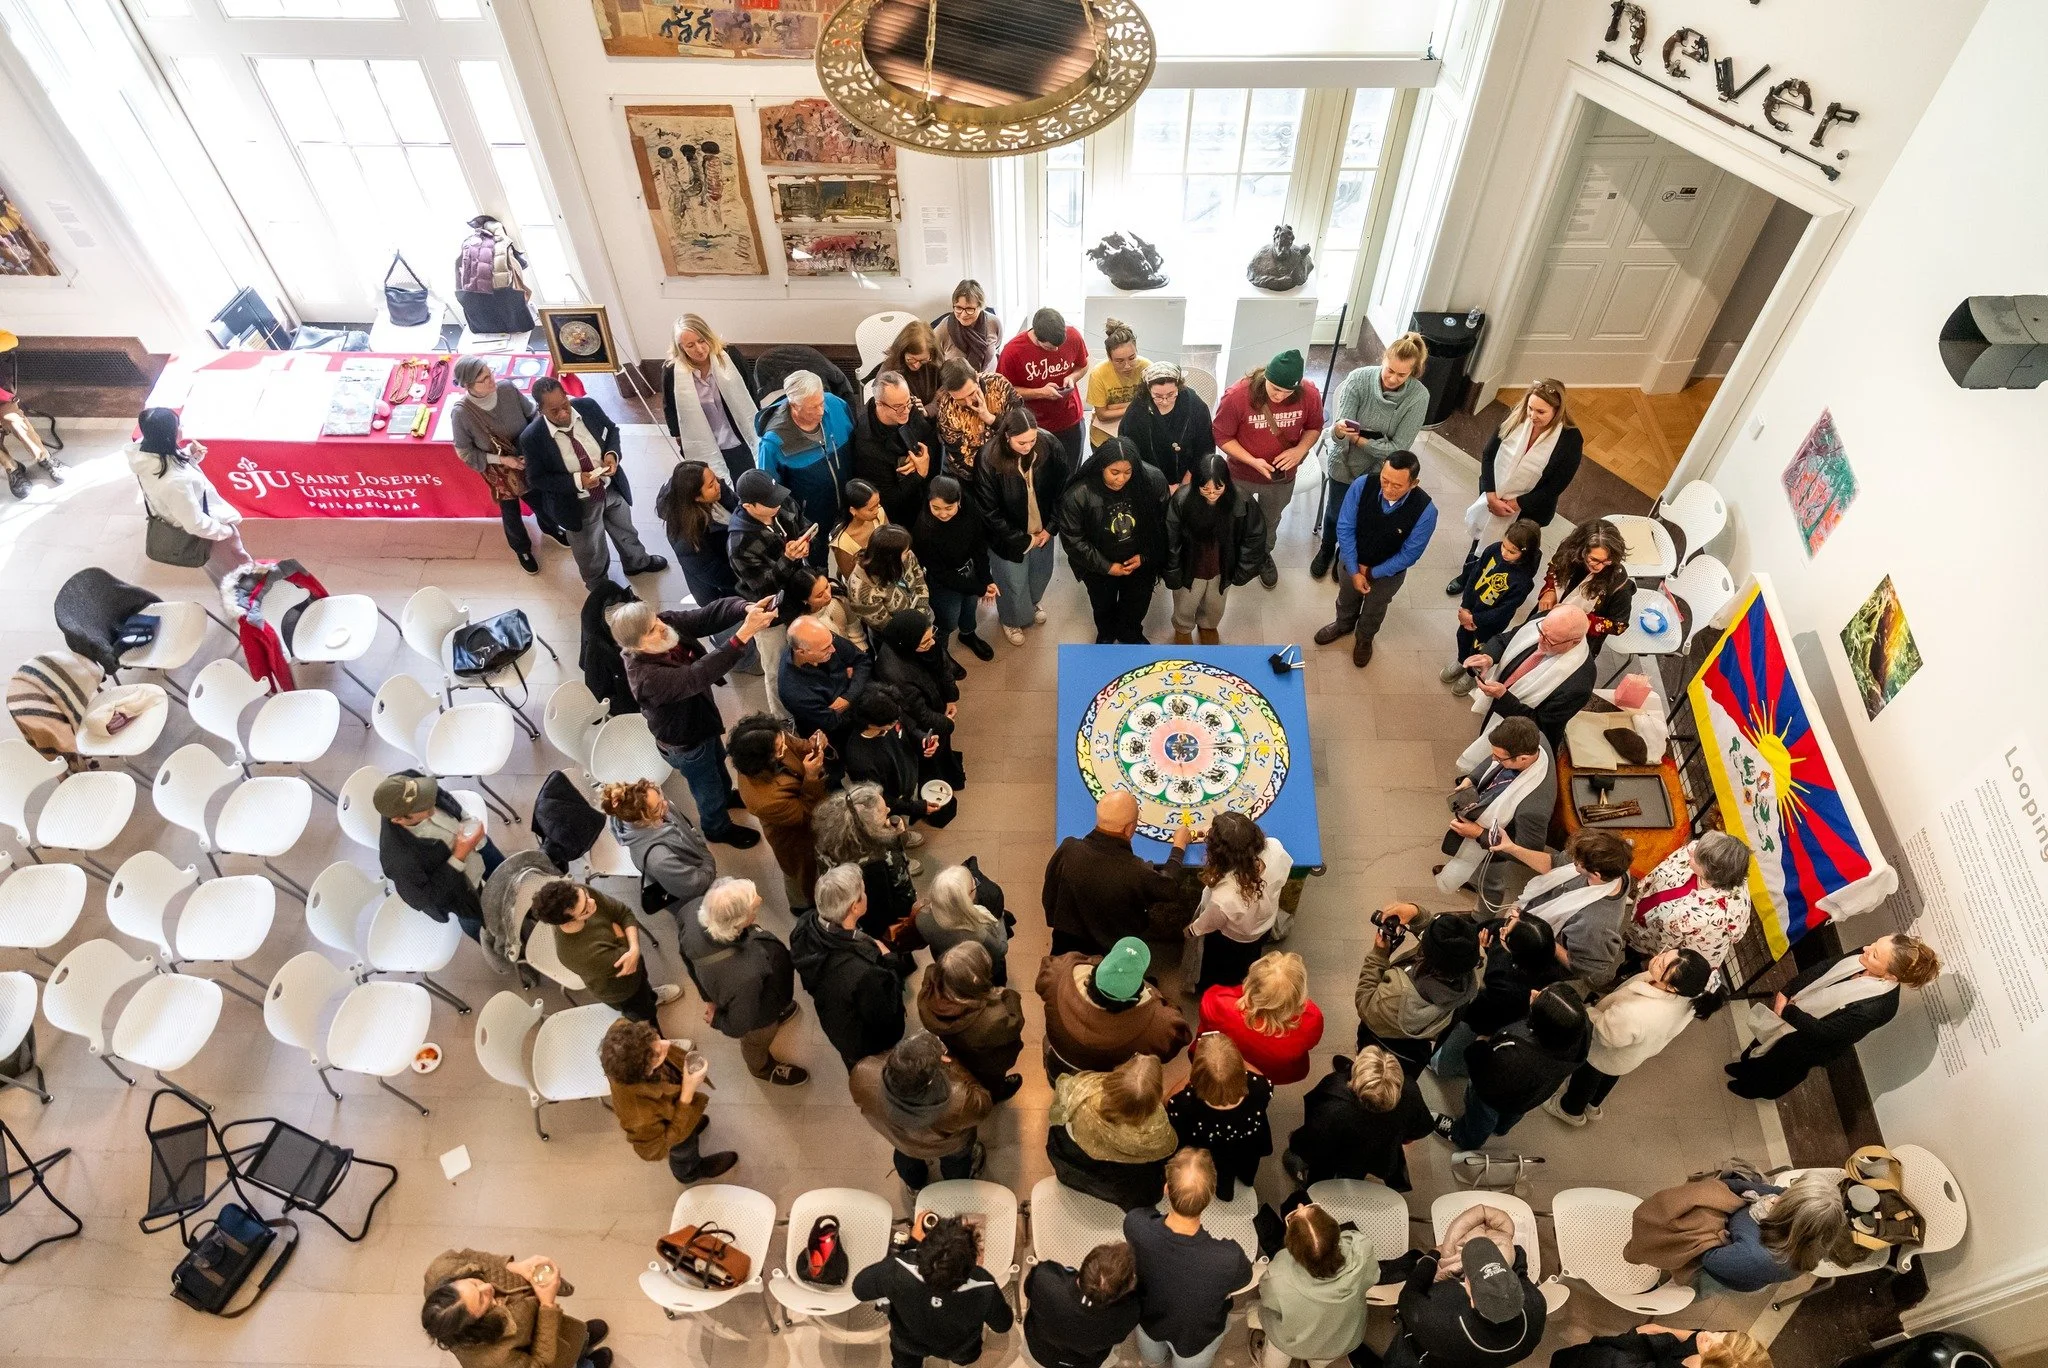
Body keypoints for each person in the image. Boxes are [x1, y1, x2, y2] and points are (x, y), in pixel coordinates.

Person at [609, 597, 773, 849]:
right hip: (687, 743)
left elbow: (704, 616)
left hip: (701, 723)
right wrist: (745, 633)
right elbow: (698, 675)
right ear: (636, 646)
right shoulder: (648, 679)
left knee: (717, 763)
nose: (662, 627)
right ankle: (716, 827)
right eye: (652, 629)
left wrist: (743, 608)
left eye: (657, 620)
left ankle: (726, 796)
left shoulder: (661, 625)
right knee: (706, 788)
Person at [1726, 935, 1941, 1100]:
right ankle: (1747, 1067)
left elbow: (1826, 1033)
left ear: (1890, 976)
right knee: (1765, 1041)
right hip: (1797, 1011)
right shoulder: (1868, 956)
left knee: (1780, 1064)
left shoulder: (1879, 1007)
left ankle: (1756, 1088)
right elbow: (1824, 968)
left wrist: (1789, 1011)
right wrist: (1789, 989)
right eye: (1874, 944)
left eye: (1875, 954)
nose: (1866, 949)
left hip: (1808, 1042)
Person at [521, 378, 667, 589]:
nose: (563, 413)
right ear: (540, 410)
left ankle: (637, 563)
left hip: (610, 487)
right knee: (590, 549)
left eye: (565, 405)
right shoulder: (533, 438)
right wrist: (577, 480)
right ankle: (599, 586)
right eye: (554, 411)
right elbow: (536, 479)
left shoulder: (587, 406)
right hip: (577, 503)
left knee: (625, 529)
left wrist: (611, 454)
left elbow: (611, 430)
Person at [1309, 332, 1431, 580]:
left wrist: (1360, 439)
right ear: (1382, 359)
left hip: (1380, 471)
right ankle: (1326, 548)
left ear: (1413, 372)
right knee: (1335, 512)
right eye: (1389, 370)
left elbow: (1398, 449)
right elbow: (1339, 435)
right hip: (1344, 460)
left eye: (1402, 375)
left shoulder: (1418, 397)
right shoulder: (1358, 379)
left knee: (1361, 517)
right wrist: (1348, 436)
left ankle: (1345, 554)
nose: (1393, 379)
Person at [1547, 948, 1713, 1126]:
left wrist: (1589, 1012)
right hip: (1630, 1055)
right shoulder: (1691, 995)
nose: (1657, 958)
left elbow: (1604, 1036)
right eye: (1666, 953)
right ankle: (1593, 1105)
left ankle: (1570, 1111)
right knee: (1610, 1076)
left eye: (1662, 964)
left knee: (1586, 1079)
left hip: (1605, 1052)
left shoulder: (1636, 1013)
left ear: (1672, 987)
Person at [1448, 378, 1582, 595]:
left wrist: (1516, 502)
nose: (1532, 416)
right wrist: (1491, 494)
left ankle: (1496, 586)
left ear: (1557, 411)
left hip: (1529, 509)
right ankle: (1468, 576)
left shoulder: (1570, 439)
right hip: (1496, 496)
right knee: (1483, 536)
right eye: (1530, 407)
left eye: (1541, 412)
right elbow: (1489, 454)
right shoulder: (1517, 417)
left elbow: (1556, 485)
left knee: (1514, 550)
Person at [1124, 1149, 1253, 1368]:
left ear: (1166, 1189)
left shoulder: (1136, 1225)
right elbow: (1243, 1279)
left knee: (1152, 1358)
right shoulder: (1229, 1257)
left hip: (1149, 1318)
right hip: (1197, 1337)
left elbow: (1141, 1216)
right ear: (1211, 1195)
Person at [1624, 1170, 1854, 1292]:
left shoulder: (1756, 1257)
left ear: (1788, 1216)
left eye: (1788, 1199)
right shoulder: (1816, 1232)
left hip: (1723, 1270)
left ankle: (1666, 1283)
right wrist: (1751, 1195)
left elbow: (1711, 1259)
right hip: (1749, 1260)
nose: (1779, 1195)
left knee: (1687, 1266)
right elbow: (1769, 1190)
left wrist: (1747, 1211)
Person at [676, 878, 809, 1086]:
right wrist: (717, 1019)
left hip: (762, 996)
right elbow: (739, 1026)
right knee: (756, 1041)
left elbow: (686, 956)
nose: (761, 900)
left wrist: (707, 996)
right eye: (753, 906)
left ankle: (778, 1012)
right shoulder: (745, 974)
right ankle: (761, 1069)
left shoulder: (692, 910)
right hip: (760, 1016)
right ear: (739, 922)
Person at [1312, 449, 1436, 670]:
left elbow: (1410, 554)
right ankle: (1343, 625)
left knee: (1375, 608)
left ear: (1414, 483)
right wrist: (1354, 569)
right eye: (1384, 480)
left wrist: (1370, 573)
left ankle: (1364, 638)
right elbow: (1345, 526)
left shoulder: (1426, 511)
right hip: (1352, 561)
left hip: (1387, 573)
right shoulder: (1362, 485)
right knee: (1346, 596)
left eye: (1397, 486)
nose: (1388, 489)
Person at [1212, 350, 1324, 589]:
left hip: (1281, 477)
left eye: (1288, 392)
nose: (1280, 396)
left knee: (1270, 519)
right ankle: (1232, 555)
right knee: (1235, 516)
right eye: (1275, 388)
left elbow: (1314, 427)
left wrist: (1299, 450)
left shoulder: (1310, 394)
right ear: (1265, 378)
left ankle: (1262, 554)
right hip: (1242, 474)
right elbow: (1221, 435)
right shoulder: (1237, 396)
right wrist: (1251, 460)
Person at [1384, 1204, 1545, 1368]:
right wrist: (1507, 1243)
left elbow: (1409, 1295)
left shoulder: (1436, 1319)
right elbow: (1521, 1270)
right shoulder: (1536, 1306)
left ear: (1470, 1296)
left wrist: (1432, 1255)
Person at [1436, 983, 1589, 1151]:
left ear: (1542, 1025)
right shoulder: (1581, 1032)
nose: (1533, 991)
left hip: (1494, 1096)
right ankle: (1501, 1129)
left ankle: (1465, 1137)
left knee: (1482, 1115)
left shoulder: (1515, 1055)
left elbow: (1483, 1075)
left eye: (1538, 998)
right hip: (1533, 1094)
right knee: (1513, 1113)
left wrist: (1479, 1043)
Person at [790, 863, 912, 1069]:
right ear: (854, 907)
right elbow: (886, 1016)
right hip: (866, 1043)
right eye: (863, 892)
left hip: (836, 1021)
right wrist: (889, 959)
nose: (866, 894)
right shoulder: (865, 972)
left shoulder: (804, 926)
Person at [1043, 790, 1193, 956]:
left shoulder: (1068, 849)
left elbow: (1049, 896)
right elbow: (1169, 886)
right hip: (1113, 959)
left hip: (1064, 954)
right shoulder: (1136, 871)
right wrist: (1179, 846)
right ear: (1129, 829)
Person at [853, 1214, 1014, 1368]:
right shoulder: (984, 1286)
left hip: (908, 1342)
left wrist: (913, 1242)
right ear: (972, 1263)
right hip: (957, 1348)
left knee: (905, 1363)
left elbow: (859, 1289)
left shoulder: (895, 1270)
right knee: (966, 1356)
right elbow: (1002, 1324)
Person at [450, 356, 563, 574]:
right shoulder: (462, 413)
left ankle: (549, 528)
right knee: (510, 511)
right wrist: (503, 460)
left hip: (527, 455)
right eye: (484, 379)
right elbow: (464, 451)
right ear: (468, 386)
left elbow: (532, 414)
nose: (492, 380)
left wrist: (534, 449)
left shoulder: (508, 389)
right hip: (501, 468)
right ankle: (522, 549)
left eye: (490, 373)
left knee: (539, 497)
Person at [597, 1016, 737, 1183]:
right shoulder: (639, 1117)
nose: (667, 1044)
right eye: (658, 1054)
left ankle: (691, 1125)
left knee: (689, 1129)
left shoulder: (625, 1033)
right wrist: (687, 1092)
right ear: (646, 1072)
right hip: (671, 1132)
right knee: (684, 1149)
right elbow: (655, 1149)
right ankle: (689, 1172)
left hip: (672, 1109)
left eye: (655, 1037)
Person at [975, 406, 1071, 646]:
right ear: (1006, 436)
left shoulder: (1049, 444)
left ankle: (1032, 602)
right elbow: (989, 511)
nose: (1028, 447)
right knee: (1012, 582)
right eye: (1021, 442)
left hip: (1043, 530)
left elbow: (1063, 489)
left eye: (1032, 439)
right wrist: (1023, 540)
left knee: (1041, 574)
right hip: (1008, 537)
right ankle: (1011, 619)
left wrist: (1051, 527)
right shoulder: (988, 458)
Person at [1059, 436, 1169, 645]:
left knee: (1137, 603)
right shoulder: (1078, 493)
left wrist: (1145, 556)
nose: (1121, 479)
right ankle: (1107, 633)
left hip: (1139, 560)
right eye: (1114, 472)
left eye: (1128, 472)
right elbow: (1074, 540)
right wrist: (1107, 567)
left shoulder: (1152, 480)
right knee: (1102, 604)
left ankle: (1131, 632)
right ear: (1101, 467)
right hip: (1098, 564)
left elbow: (1163, 525)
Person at [1435, 716, 1554, 906]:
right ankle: (1470, 877)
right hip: (1489, 806)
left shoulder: (1532, 811)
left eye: (1499, 758)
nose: (1493, 759)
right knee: (1472, 867)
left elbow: (1527, 853)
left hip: (1495, 848)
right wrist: (1472, 779)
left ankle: (1479, 918)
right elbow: (1491, 761)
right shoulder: (1535, 739)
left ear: (1523, 758)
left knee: (1490, 883)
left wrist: (1479, 833)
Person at [850, 1030, 991, 1190]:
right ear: (930, 1080)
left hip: (899, 1140)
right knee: (956, 1163)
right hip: (949, 1146)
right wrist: (951, 1063)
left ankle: (915, 1185)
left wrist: (908, 1062)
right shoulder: (960, 1100)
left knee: (907, 1158)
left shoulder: (863, 1073)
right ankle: (953, 1186)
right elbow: (983, 1104)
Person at [1283, 1045, 1435, 1191]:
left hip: (1337, 1155)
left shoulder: (1333, 1098)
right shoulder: (1410, 1091)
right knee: (1354, 1173)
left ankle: (1312, 1188)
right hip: (1378, 1155)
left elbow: (1314, 1134)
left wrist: (1297, 1144)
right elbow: (1422, 1128)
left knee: (1323, 1174)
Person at [1039, 936, 1194, 1079]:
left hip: (1060, 1063)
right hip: (1108, 1082)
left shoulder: (1057, 974)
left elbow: (1043, 978)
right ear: (1135, 996)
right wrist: (1157, 997)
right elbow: (1175, 1044)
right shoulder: (1162, 1025)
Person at [421, 1249, 606, 1368]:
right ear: (475, 1324)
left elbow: (471, 1258)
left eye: (474, 1282)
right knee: (567, 1358)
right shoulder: (493, 1361)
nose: (488, 1287)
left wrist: (513, 1266)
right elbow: (540, 1363)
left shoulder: (441, 1269)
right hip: (547, 1349)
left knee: (573, 1334)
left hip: (547, 1324)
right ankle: (585, 1364)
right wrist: (547, 1305)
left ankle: (582, 1340)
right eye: (482, 1299)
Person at [529, 879, 681, 1023]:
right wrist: (620, 933)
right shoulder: (577, 954)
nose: (592, 902)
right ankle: (662, 1045)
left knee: (644, 986)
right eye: (584, 910)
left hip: (634, 970)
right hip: (622, 991)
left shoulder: (577, 894)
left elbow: (623, 912)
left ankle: (652, 997)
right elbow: (624, 958)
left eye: (586, 895)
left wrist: (632, 947)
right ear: (568, 923)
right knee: (645, 1018)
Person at [1354, 904, 1482, 1075]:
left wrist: (1379, 955)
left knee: (1368, 1069)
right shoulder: (1468, 972)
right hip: (1414, 1049)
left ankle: (1355, 1073)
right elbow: (1442, 941)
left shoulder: (1398, 994)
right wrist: (1416, 913)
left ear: (1428, 954)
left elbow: (1366, 1004)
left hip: (1379, 1043)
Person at [375, 770, 502, 943]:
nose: (431, 804)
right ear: (399, 820)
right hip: (464, 891)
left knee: (509, 875)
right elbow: (428, 898)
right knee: (481, 927)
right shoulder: (399, 861)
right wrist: (459, 855)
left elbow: (442, 795)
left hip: (481, 847)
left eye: (426, 796)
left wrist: (467, 819)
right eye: (422, 807)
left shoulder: (409, 780)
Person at [129, 407, 247, 583]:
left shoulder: (143, 450)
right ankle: (248, 584)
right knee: (235, 561)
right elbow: (195, 524)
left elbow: (170, 469)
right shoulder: (176, 482)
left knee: (230, 559)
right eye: (178, 425)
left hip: (174, 510)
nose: (182, 427)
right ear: (170, 435)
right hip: (203, 527)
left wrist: (189, 455)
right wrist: (226, 532)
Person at [1050, 1053, 1179, 1210]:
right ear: (1155, 1097)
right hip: (1124, 1186)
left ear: (1116, 1078)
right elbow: (1167, 1149)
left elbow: (1058, 1116)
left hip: (1079, 1169)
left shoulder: (1082, 1089)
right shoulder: (1158, 1125)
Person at [1510, 830, 1634, 994]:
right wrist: (1510, 847)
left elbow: (1582, 966)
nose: (1572, 861)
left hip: (1544, 956)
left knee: (1516, 982)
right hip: (1529, 919)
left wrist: (1538, 933)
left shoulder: (1596, 924)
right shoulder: (1614, 867)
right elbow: (1555, 863)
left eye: (1576, 862)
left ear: (1596, 874)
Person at [1161, 451, 1265, 645]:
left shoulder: (1242, 500)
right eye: (1204, 489)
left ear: (1227, 483)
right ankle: (1183, 628)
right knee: (1185, 603)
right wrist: (1172, 570)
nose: (1211, 494)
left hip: (1222, 565)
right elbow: (1170, 539)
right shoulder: (1181, 500)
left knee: (1215, 604)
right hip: (1190, 565)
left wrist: (1243, 570)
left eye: (1218, 489)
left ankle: (1208, 625)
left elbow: (1255, 537)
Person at [1460, 604, 1597, 750]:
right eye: (1541, 632)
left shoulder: (1579, 684)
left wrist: (1503, 697)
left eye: (1550, 641)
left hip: (1516, 732)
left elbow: (1540, 726)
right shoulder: (1546, 621)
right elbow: (1507, 639)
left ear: (1574, 641)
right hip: (1499, 697)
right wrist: (1488, 657)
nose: (1539, 641)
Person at [728, 713, 829, 909]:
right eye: (779, 748)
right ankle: (801, 905)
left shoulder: (772, 737)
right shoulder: (764, 800)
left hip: (806, 817)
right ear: (761, 760)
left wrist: (814, 744)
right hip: (793, 837)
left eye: (782, 739)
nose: (784, 745)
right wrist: (811, 777)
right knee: (799, 871)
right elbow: (805, 813)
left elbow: (796, 745)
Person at [754, 369, 855, 565]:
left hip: (848, 499)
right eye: (812, 408)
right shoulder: (773, 443)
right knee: (817, 562)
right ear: (794, 405)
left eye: (821, 403)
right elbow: (772, 491)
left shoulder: (835, 405)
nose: (820, 411)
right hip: (812, 516)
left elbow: (855, 442)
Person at [1256, 1202, 1375, 1368]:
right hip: (1340, 1339)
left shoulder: (1279, 1274)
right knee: (1320, 1360)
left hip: (1291, 1340)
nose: (1299, 1204)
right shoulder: (1362, 1249)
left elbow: (1268, 1301)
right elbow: (1373, 1276)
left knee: (1277, 1352)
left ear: (1292, 1248)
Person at [1185, 812, 1289, 992]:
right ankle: (1243, 980)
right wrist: (1216, 834)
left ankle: (1215, 991)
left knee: (1222, 969)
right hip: (1263, 925)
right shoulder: (1275, 847)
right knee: (1249, 959)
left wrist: (1191, 930)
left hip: (1231, 940)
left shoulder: (1225, 894)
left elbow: (1209, 923)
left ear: (1219, 855)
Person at [1164, 1033, 1271, 1202]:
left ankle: (1218, 1192)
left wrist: (1189, 1078)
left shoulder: (1185, 1102)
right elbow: (1258, 1074)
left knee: (1215, 1170)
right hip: (1246, 1143)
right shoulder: (1260, 1087)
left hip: (1205, 1146)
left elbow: (1167, 1102)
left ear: (1197, 1075)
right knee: (1242, 1167)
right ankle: (1239, 1185)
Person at [1441, 518, 1542, 697]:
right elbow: (1474, 575)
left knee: (1479, 649)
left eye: (1512, 551)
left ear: (1525, 554)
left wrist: (1475, 620)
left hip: (1489, 623)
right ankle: (1461, 660)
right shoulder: (1493, 550)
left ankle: (1472, 673)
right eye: (1504, 545)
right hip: (1471, 610)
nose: (1504, 552)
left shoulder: (1523, 581)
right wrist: (1465, 608)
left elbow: (1504, 610)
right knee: (1463, 637)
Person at [1625, 833, 1754, 971]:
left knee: (1631, 968)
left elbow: (1695, 961)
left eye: (1696, 857)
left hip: (1653, 953)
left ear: (1710, 872)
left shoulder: (1718, 921)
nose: (1691, 850)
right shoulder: (1699, 850)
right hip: (1639, 924)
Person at [918, 941, 1025, 1103]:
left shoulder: (930, 986)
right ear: (976, 980)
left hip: (957, 1048)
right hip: (986, 1061)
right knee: (990, 1082)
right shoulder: (993, 1019)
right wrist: (1008, 995)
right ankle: (995, 1096)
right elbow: (1015, 1023)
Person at [1199, 950, 1324, 1086]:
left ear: (1251, 983)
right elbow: (1311, 1043)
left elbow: (1206, 1015)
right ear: (1299, 994)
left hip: (1227, 1064)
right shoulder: (1311, 1019)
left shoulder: (1219, 1003)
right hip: (1274, 1073)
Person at [597, 779, 717, 917]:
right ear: (643, 820)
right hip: (695, 888)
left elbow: (687, 826)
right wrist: (709, 862)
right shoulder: (659, 859)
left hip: (696, 864)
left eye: (660, 795)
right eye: (657, 808)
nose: (666, 804)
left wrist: (698, 843)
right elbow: (693, 886)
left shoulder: (653, 804)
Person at [913, 474, 999, 664]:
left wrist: (986, 579)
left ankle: (967, 634)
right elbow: (941, 573)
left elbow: (979, 546)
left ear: (959, 501)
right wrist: (979, 588)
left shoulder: (970, 510)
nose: (943, 514)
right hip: (945, 582)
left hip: (969, 570)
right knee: (947, 620)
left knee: (970, 608)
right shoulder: (924, 530)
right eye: (936, 508)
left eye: (948, 508)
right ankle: (941, 653)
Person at [815, 781, 921, 936]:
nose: (889, 810)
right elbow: (898, 904)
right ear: (868, 825)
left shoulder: (827, 838)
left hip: (843, 914)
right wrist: (894, 839)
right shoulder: (880, 859)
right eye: (883, 811)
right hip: (880, 927)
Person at [661, 313, 758, 479]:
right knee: (716, 489)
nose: (699, 349)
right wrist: (678, 436)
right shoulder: (672, 371)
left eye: (701, 341)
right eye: (690, 345)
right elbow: (669, 406)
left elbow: (750, 392)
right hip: (704, 443)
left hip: (738, 438)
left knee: (746, 481)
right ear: (680, 347)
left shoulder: (730, 356)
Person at [1023, 1241, 1145, 1368]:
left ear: (1084, 1265)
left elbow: (1028, 1291)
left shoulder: (1045, 1280)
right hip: (1087, 1363)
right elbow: (1119, 1338)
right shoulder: (1129, 1313)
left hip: (1040, 1354)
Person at [998, 306, 1090, 466]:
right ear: (1035, 334)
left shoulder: (1073, 336)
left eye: (1059, 347)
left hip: (1071, 420)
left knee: (1071, 471)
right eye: (1049, 347)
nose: (1055, 350)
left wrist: (1072, 377)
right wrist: (1040, 393)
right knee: (1040, 476)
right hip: (1035, 427)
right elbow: (1005, 390)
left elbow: (1083, 365)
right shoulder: (1012, 351)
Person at [845, 690, 949, 827]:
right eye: (893, 723)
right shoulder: (859, 760)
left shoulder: (890, 715)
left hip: (908, 780)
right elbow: (879, 799)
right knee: (897, 825)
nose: (898, 721)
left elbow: (909, 729)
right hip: (893, 803)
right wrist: (917, 808)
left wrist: (923, 739)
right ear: (872, 724)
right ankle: (903, 837)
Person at [656, 460, 743, 614]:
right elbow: (717, 574)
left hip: (738, 563)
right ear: (695, 497)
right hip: (723, 592)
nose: (718, 484)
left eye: (715, 478)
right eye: (711, 485)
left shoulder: (718, 490)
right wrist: (752, 574)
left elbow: (738, 506)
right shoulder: (686, 538)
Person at [852, 373, 939, 526]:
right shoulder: (867, 445)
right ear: (879, 404)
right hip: (901, 514)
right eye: (898, 407)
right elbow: (888, 499)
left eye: (908, 402)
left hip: (924, 495)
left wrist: (922, 456)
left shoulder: (905, 405)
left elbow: (929, 435)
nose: (906, 411)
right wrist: (920, 473)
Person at [1534, 519, 1635, 649]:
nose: (1600, 567)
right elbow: (1555, 566)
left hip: (1578, 640)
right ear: (1580, 550)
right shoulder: (1568, 551)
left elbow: (1619, 625)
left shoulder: (1620, 586)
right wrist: (1549, 590)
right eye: (1594, 560)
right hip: (1547, 615)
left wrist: (1582, 621)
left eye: (1607, 561)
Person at [779, 615, 872, 753]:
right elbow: (834, 723)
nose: (833, 649)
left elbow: (862, 661)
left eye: (831, 641)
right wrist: (854, 683)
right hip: (838, 738)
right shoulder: (794, 692)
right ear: (801, 652)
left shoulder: (824, 640)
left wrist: (849, 697)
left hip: (855, 707)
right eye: (825, 648)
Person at [1119, 361, 1216, 490]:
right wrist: (1158, 484)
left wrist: (1186, 482)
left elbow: (1205, 446)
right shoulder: (1136, 412)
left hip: (1189, 476)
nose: (1165, 401)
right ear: (1148, 389)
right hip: (1151, 479)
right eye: (1158, 396)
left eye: (1171, 395)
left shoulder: (1195, 405)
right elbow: (1130, 451)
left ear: (1179, 386)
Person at [916, 863, 1009, 985]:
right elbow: (1001, 949)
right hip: (981, 976)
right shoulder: (979, 930)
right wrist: (1000, 918)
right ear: (966, 898)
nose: (976, 884)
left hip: (947, 967)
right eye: (974, 885)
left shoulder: (921, 918)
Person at [932, 357, 1014, 470]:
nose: (969, 402)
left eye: (971, 393)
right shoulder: (946, 408)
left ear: (976, 376)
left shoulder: (999, 385)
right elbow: (959, 457)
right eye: (960, 399)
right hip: (974, 473)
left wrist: (990, 419)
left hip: (1011, 462)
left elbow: (1019, 427)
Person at [1554, 1327, 1773, 1368]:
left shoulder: (1619, 1361)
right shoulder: (1724, 1351)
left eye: (1710, 1343)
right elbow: (1698, 1334)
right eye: (1723, 1334)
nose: (1709, 1334)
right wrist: (1659, 1329)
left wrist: (1643, 1336)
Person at [846, 523, 930, 629]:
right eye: (905, 552)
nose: (910, 554)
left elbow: (919, 580)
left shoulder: (906, 555)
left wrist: (921, 613)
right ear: (890, 557)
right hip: (900, 632)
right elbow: (886, 626)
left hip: (919, 614)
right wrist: (915, 628)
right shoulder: (863, 590)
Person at [1084, 318, 1150, 447]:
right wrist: (1137, 407)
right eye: (1119, 361)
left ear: (1137, 351)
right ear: (1109, 358)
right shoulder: (1099, 374)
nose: (1127, 366)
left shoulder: (1147, 367)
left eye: (1132, 358)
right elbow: (1102, 414)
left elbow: (1152, 404)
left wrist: (1114, 409)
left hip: (1136, 436)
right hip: (1104, 439)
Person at [0, 382, 61, 499]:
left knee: (14, 420)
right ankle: (11, 467)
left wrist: (6, 396)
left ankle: (44, 456)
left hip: (2, 398)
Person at [935, 279, 1003, 373]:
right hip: (958, 385)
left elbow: (997, 346)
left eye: (969, 309)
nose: (963, 315)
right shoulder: (942, 330)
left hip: (990, 382)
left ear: (981, 307)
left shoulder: (994, 323)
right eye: (958, 308)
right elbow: (935, 362)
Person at [829, 477, 891, 580]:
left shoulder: (879, 513)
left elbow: (890, 540)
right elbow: (851, 578)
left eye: (878, 504)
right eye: (871, 509)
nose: (876, 510)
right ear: (853, 510)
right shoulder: (843, 544)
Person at [878, 318, 944, 412]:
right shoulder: (890, 368)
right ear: (902, 352)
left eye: (923, 360)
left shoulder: (935, 362)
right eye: (911, 359)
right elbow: (883, 401)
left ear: (931, 354)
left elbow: (944, 392)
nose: (916, 365)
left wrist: (928, 410)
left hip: (935, 413)